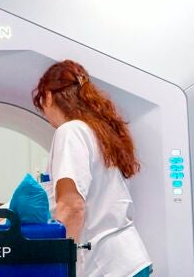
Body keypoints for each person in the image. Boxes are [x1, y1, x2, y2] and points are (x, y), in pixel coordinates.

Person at [33, 60, 152, 277]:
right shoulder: (98, 132)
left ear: (48, 96)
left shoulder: (70, 131)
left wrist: (60, 265)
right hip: (126, 260)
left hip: (107, 265)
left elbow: (72, 206)